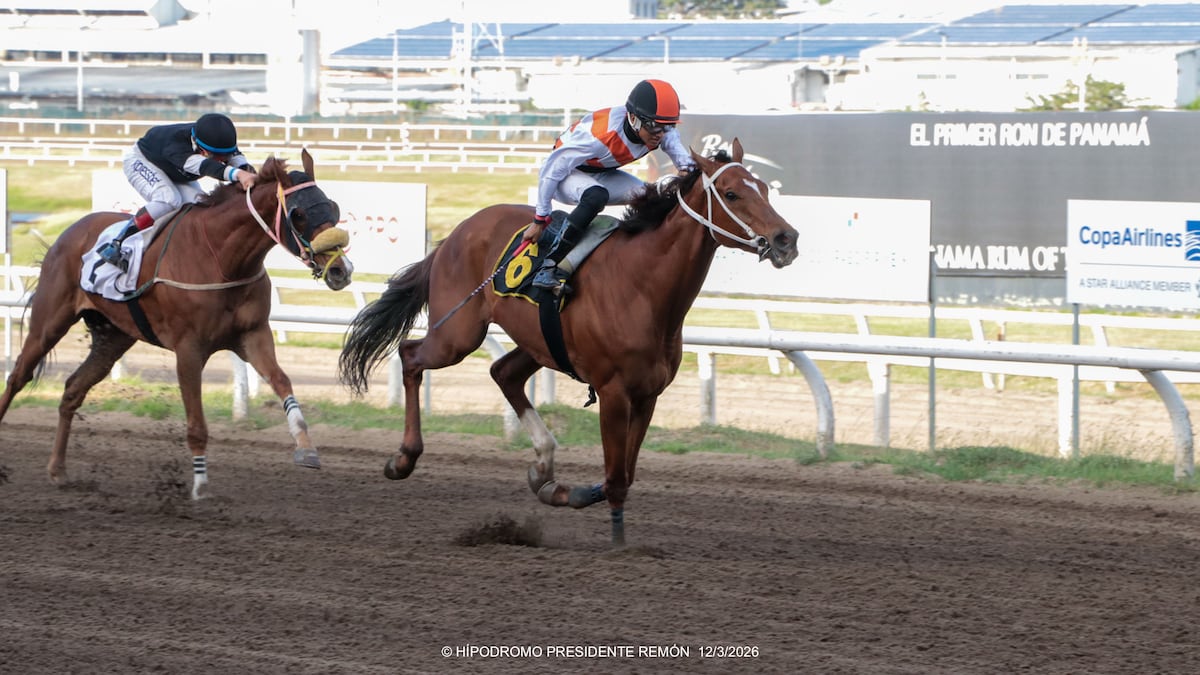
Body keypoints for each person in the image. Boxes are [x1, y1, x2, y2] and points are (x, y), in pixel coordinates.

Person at [524, 78, 696, 295]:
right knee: (596, 196)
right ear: (633, 119)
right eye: (654, 126)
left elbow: (687, 165)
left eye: (667, 126)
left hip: (600, 171)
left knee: (651, 196)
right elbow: (552, 169)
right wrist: (540, 219)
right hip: (565, 173)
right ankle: (548, 267)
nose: (660, 134)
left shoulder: (662, 129)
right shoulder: (599, 135)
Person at [97, 112, 257, 271]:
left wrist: (248, 172)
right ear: (201, 149)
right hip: (143, 160)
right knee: (168, 200)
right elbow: (207, 167)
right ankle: (117, 243)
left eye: (225, 155)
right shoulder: (177, 146)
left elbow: (237, 159)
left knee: (199, 205)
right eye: (217, 156)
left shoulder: (217, 142)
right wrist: (239, 174)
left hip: (173, 169)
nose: (223, 160)